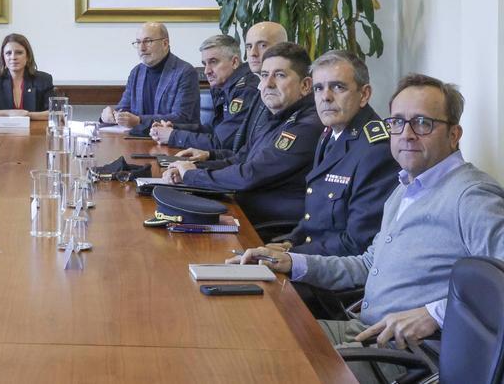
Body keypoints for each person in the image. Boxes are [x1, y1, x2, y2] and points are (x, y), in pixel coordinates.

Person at [230, 75, 504, 383]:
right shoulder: (407, 187)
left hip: (405, 356)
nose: (407, 134)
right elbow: (369, 263)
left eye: (423, 123)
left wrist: (434, 314)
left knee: (263, 371)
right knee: (248, 332)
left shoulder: (471, 196)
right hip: (362, 331)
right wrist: (294, 263)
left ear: (454, 134)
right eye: (398, 122)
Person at [165, 42, 324, 226]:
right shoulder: (277, 116)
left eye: (280, 75)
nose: (268, 83)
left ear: (305, 85)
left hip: (267, 228)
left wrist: (192, 176)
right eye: (264, 75)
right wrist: (192, 168)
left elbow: (250, 174)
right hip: (244, 213)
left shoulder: (307, 126)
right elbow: (240, 158)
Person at [283, 51, 398, 256]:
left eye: (338, 87)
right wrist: (289, 243)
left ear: (364, 95)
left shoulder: (376, 152)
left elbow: (357, 243)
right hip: (313, 256)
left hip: (338, 275)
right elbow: (316, 215)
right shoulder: (330, 132)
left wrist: (294, 256)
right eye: (318, 88)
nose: (326, 97)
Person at [150, 34, 259, 150]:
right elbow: (214, 130)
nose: (207, 71)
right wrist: (174, 128)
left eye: (213, 62)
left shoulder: (245, 91)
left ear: (234, 62)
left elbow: (220, 143)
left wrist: (172, 136)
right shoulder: (224, 87)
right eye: (204, 64)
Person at [100, 22, 199, 134]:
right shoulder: (136, 72)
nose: (142, 48)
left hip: (173, 143)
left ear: (165, 43)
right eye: (138, 42)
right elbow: (124, 108)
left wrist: (139, 121)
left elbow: (182, 118)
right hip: (137, 141)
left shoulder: (185, 72)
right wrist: (111, 115)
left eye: (148, 41)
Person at [228, 21, 289, 152]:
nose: (253, 53)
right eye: (249, 46)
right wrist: (208, 155)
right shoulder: (260, 88)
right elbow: (244, 153)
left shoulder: (284, 95)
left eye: (262, 45)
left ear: (282, 48)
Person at [0, 33, 55, 119]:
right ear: (3, 57)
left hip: (33, 131)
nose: (13, 57)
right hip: (1, 131)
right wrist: (10, 113)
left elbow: (55, 112)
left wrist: (27, 115)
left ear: (28, 56)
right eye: (8, 53)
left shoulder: (43, 80)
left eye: (19, 53)